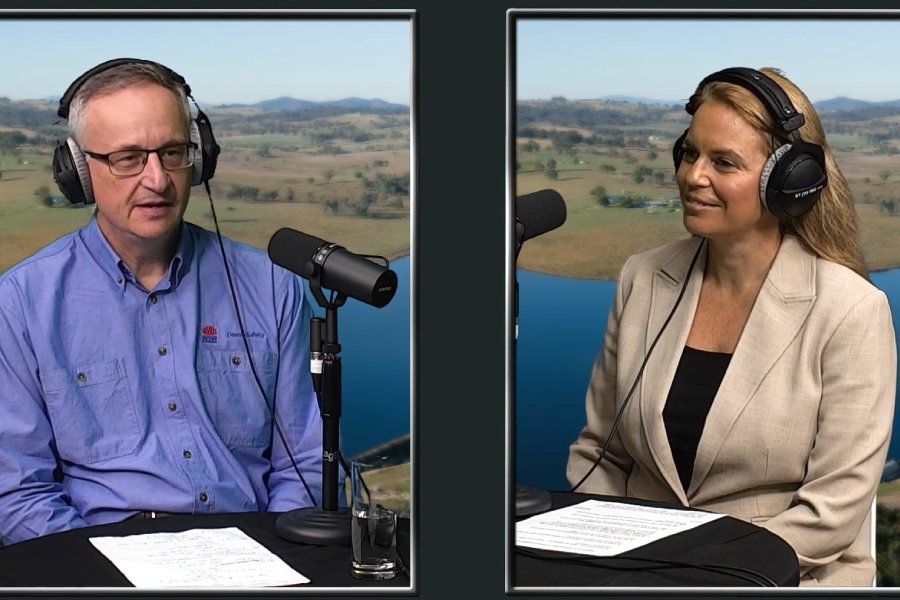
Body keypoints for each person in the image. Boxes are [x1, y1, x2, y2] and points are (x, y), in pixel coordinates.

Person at [566, 67, 896, 586]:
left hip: (781, 577)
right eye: (690, 153)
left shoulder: (852, 309)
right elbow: (598, 453)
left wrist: (696, 571)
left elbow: (831, 512)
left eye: (723, 162)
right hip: (634, 574)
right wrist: (610, 557)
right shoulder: (642, 277)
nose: (694, 176)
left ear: (790, 181)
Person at [0, 59, 323, 544]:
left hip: (254, 551)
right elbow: (19, 493)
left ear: (200, 158)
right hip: (97, 561)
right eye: (127, 158)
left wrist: (274, 559)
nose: (156, 179)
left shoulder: (272, 286)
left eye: (172, 152)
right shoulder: (21, 303)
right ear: (79, 171)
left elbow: (307, 464)